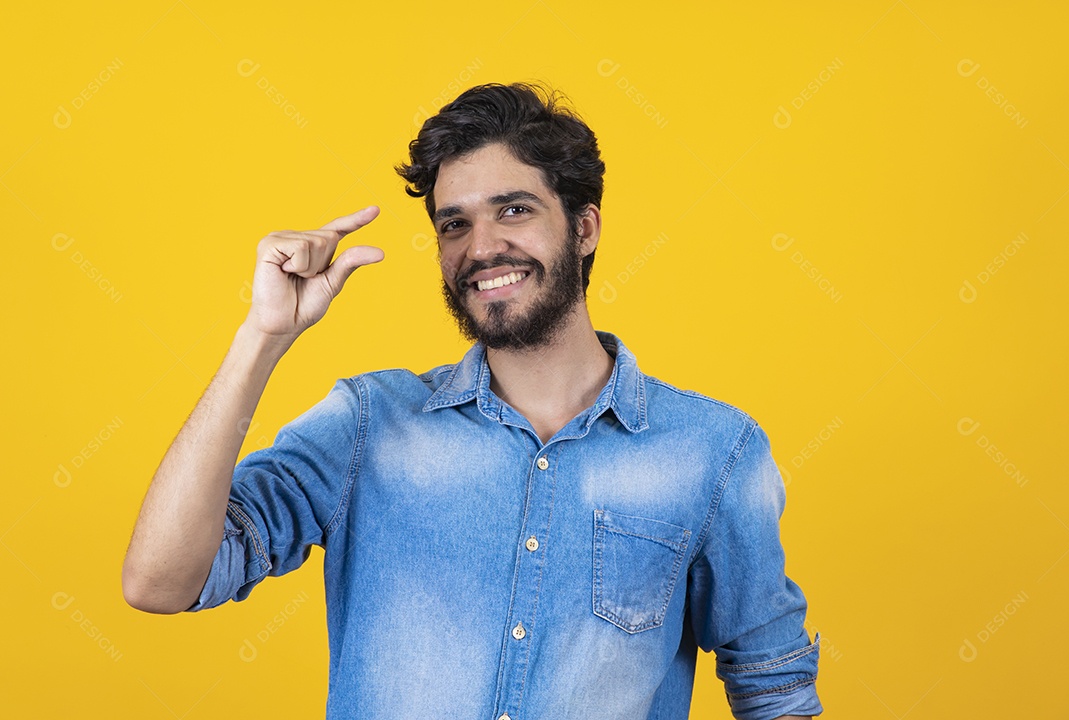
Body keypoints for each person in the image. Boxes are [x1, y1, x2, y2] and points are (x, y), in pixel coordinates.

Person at [122, 82, 823, 720]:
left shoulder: (713, 450)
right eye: (453, 224)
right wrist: (263, 337)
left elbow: (775, 691)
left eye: (513, 210)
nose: (481, 248)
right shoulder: (368, 425)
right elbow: (161, 582)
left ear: (584, 228)